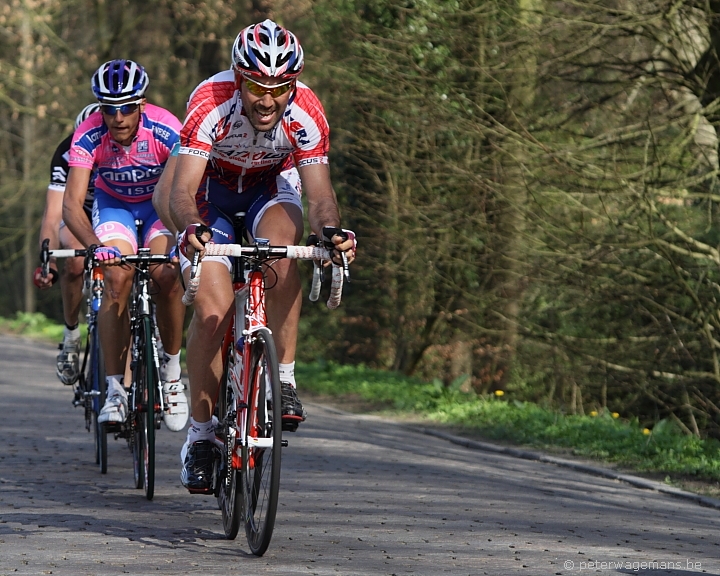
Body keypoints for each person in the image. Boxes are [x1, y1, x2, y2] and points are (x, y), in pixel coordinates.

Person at [163, 19, 356, 492]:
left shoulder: (307, 111)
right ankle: (203, 436)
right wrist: (191, 228)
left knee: (286, 251)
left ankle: (283, 377)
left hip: (270, 188)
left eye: (279, 87)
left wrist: (331, 232)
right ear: (238, 78)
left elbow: (320, 197)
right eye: (255, 86)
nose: (266, 100)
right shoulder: (209, 102)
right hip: (212, 196)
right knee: (211, 311)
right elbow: (183, 190)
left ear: (293, 83)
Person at [62, 59, 188, 432]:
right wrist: (94, 245)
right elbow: (71, 204)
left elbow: (184, 189)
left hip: (157, 206)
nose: (118, 117)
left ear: (142, 104)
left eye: (127, 107)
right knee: (116, 276)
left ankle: (172, 373)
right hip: (113, 204)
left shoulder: (167, 128)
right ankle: (116, 389)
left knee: (167, 272)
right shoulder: (87, 135)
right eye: (109, 109)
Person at [35, 103, 100, 385]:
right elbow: (53, 215)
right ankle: (71, 334)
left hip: (114, 211)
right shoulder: (65, 153)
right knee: (75, 261)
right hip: (77, 213)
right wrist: (47, 260)